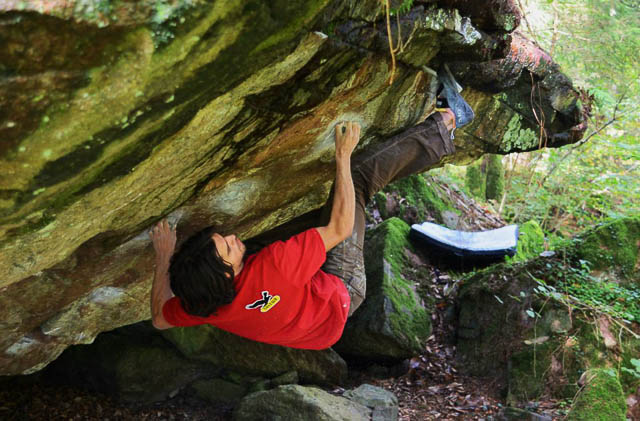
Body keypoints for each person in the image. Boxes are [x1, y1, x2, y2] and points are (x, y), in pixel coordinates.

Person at [149, 71, 473, 350]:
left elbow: (160, 319)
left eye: (224, 238)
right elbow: (340, 229)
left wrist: (164, 257)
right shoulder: (275, 265)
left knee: (284, 230)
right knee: (357, 179)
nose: (233, 237)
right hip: (341, 292)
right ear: (225, 276)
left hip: (311, 329)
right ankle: (447, 122)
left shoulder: (203, 301)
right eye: (228, 248)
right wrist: (343, 157)